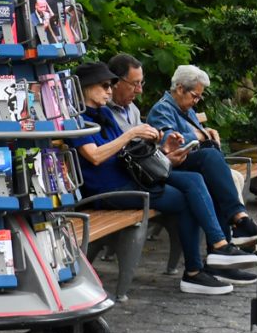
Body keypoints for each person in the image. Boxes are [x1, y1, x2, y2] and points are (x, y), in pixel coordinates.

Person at [74, 60, 243, 295]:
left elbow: (125, 154)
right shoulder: (76, 119)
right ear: (85, 87)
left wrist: (162, 150)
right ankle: (198, 267)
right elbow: (94, 156)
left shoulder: (103, 113)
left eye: (111, 85)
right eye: (104, 86)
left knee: (194, 180)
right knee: (187, 199)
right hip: (108, 190)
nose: (109, 91)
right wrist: (131, 134)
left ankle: (218, 248)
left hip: (128, 178)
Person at [147, 64, 257, 243]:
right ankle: (237, 223)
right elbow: (172, 142)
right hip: (173, 166)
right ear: (180, 89)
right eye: (195, 96)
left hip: (192, 165)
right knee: (212, 161)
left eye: (199, 96)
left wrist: (208, 132)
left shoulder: (185, 109)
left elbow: (194, 134)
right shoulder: (163, 109)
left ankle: (230, 238)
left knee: (220, 179)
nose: (197, 101)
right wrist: (200, 135)